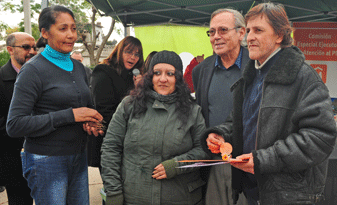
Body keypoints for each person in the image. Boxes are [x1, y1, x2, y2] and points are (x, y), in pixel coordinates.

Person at [201, 2, 337, 205]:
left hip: (289, 196)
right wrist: (221, 135)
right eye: (248, 30)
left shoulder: (303, 77)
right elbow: (241, 122)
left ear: (279, 35)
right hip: (251, 192)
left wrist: (263, 160)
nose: (250, 38)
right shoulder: (252, 75)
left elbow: (320, 138)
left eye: (258, 30)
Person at [6, 5, 104, 204]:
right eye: (63, 28)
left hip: (78, 157)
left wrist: (92, 123)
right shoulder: (32, 70)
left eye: (74, 28)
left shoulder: (79, 68)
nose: (71, 35)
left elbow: (85, 109)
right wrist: (71, 115)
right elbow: (14, 125)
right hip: (46, 160)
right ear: (44, 33)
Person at [100, 50, 208, 205]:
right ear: (150, 76)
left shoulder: (192, 110)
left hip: (180, 197)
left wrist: (177, 165)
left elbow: (203, 150)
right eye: (157, 73)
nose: (163, 79)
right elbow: (110, 148)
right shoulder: (129, 105)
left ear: (178, 78)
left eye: (170, 74)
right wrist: (114, 192)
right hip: (135, 197)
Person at [192, 8, 249, 205]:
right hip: (214, 162)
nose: (216, 37)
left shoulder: (257, 66)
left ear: (241, 33)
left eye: (223, 30)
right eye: (212, 31)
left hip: (247, 161)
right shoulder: (201, 70)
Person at [89, 36, 144, 169]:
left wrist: (140, 89)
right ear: (119, 51)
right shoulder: (103, 71)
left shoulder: (133, 76)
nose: (132, 57)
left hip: (128, 142)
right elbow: (104, 110)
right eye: (128, 52)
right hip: (109, 141)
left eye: (137, 54)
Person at [0, 32, 36, 205]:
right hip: (13, 159)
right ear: (10, 50)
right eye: (26, 47)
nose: (32, 51)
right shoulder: (1, 79)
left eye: (34, 47)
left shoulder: (41, 76)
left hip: (44, 155)